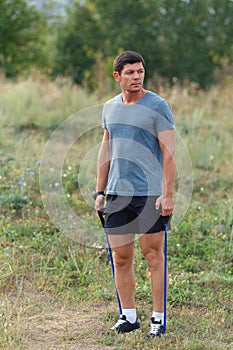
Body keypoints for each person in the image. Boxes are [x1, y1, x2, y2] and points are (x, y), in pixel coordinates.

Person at [94, 51, 176, 337]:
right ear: (117, 76)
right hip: (117, 193)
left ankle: (158, 318)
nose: (136, 77)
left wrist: (168, 193)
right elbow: (106, 149)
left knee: (153, 256)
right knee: (121, 258)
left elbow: (169, 152)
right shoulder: (109, 107)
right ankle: (128, 316)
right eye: (129, 72)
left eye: (140, 71)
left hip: (150, 195)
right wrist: (100, 191)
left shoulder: (158, 106)